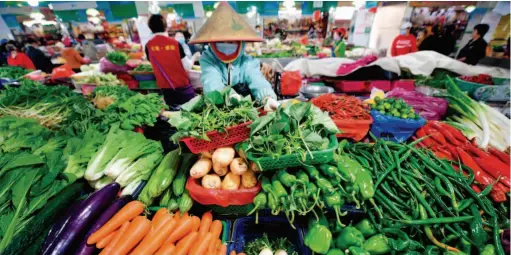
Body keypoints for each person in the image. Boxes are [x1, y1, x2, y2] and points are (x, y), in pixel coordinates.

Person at [190, 2, 278, 111]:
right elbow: (211, 81)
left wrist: (267, 98)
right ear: (213, 42)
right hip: (218, 110)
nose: (226, 44)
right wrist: (228, 96)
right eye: (221, 41)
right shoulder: (208, 60)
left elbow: (257, 80)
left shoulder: (247, 62)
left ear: (240, 43)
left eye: (231, 42)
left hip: (244, 111)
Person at [145, 14, 200, 109]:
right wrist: (195, 57)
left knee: (173, 117)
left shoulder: (148, 46)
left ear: (150, 28)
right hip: (182, 87)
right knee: (190, 114)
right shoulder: (175, 43)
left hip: (166, 89)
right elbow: (187, 67)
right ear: (165, 27)